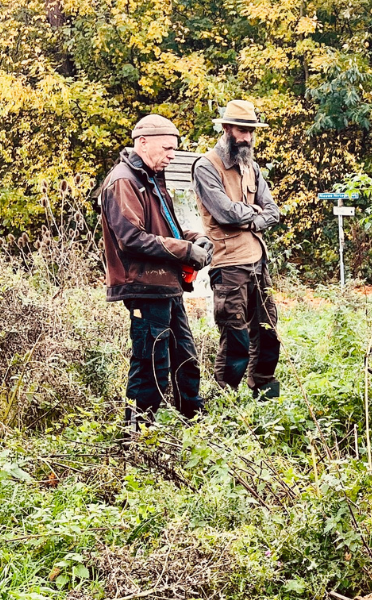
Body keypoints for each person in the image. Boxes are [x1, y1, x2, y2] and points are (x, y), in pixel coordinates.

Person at [99, 114, 212, 429]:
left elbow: (166, 230)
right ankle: (137, 437)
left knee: (185, 359)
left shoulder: (151, 178)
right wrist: (186, 251)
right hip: (144, 287)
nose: (172, 155)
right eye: (167, 148)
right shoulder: (124, 180)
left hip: (166, 287)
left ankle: (195, 427)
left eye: (174, 149)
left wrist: (195, 239)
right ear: (143, 142)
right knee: (151, 365)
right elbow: (131, 238)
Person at [193, 100, 282, 399]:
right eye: (242, 131)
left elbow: (273, 211)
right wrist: (254, 213)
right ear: (227, 128)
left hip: (258, 261)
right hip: (229, 265)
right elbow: (225, 213)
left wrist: (252, 217)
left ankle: (266, 396)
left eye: (251, 131)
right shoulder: (206, 166)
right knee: (235, 339)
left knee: (268, 333)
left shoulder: (252, 166)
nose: (248, 137)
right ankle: (226, 402)